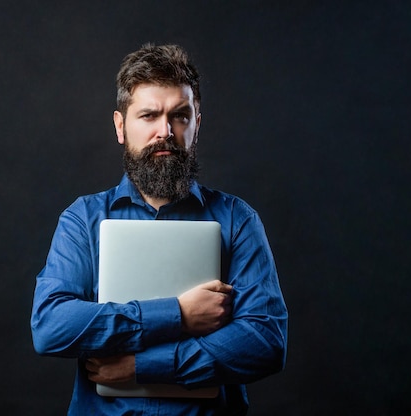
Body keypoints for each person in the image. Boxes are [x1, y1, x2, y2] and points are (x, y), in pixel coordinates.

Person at [31, 43, 288, 415]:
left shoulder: (238, 220)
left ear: (197, 123)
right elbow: (51, 327)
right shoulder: (82, 220)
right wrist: (179, 315)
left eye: (180, 116)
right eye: (149, 115)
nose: (164, 131)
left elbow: (266, 342)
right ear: (121, 127)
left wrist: (142, 367)